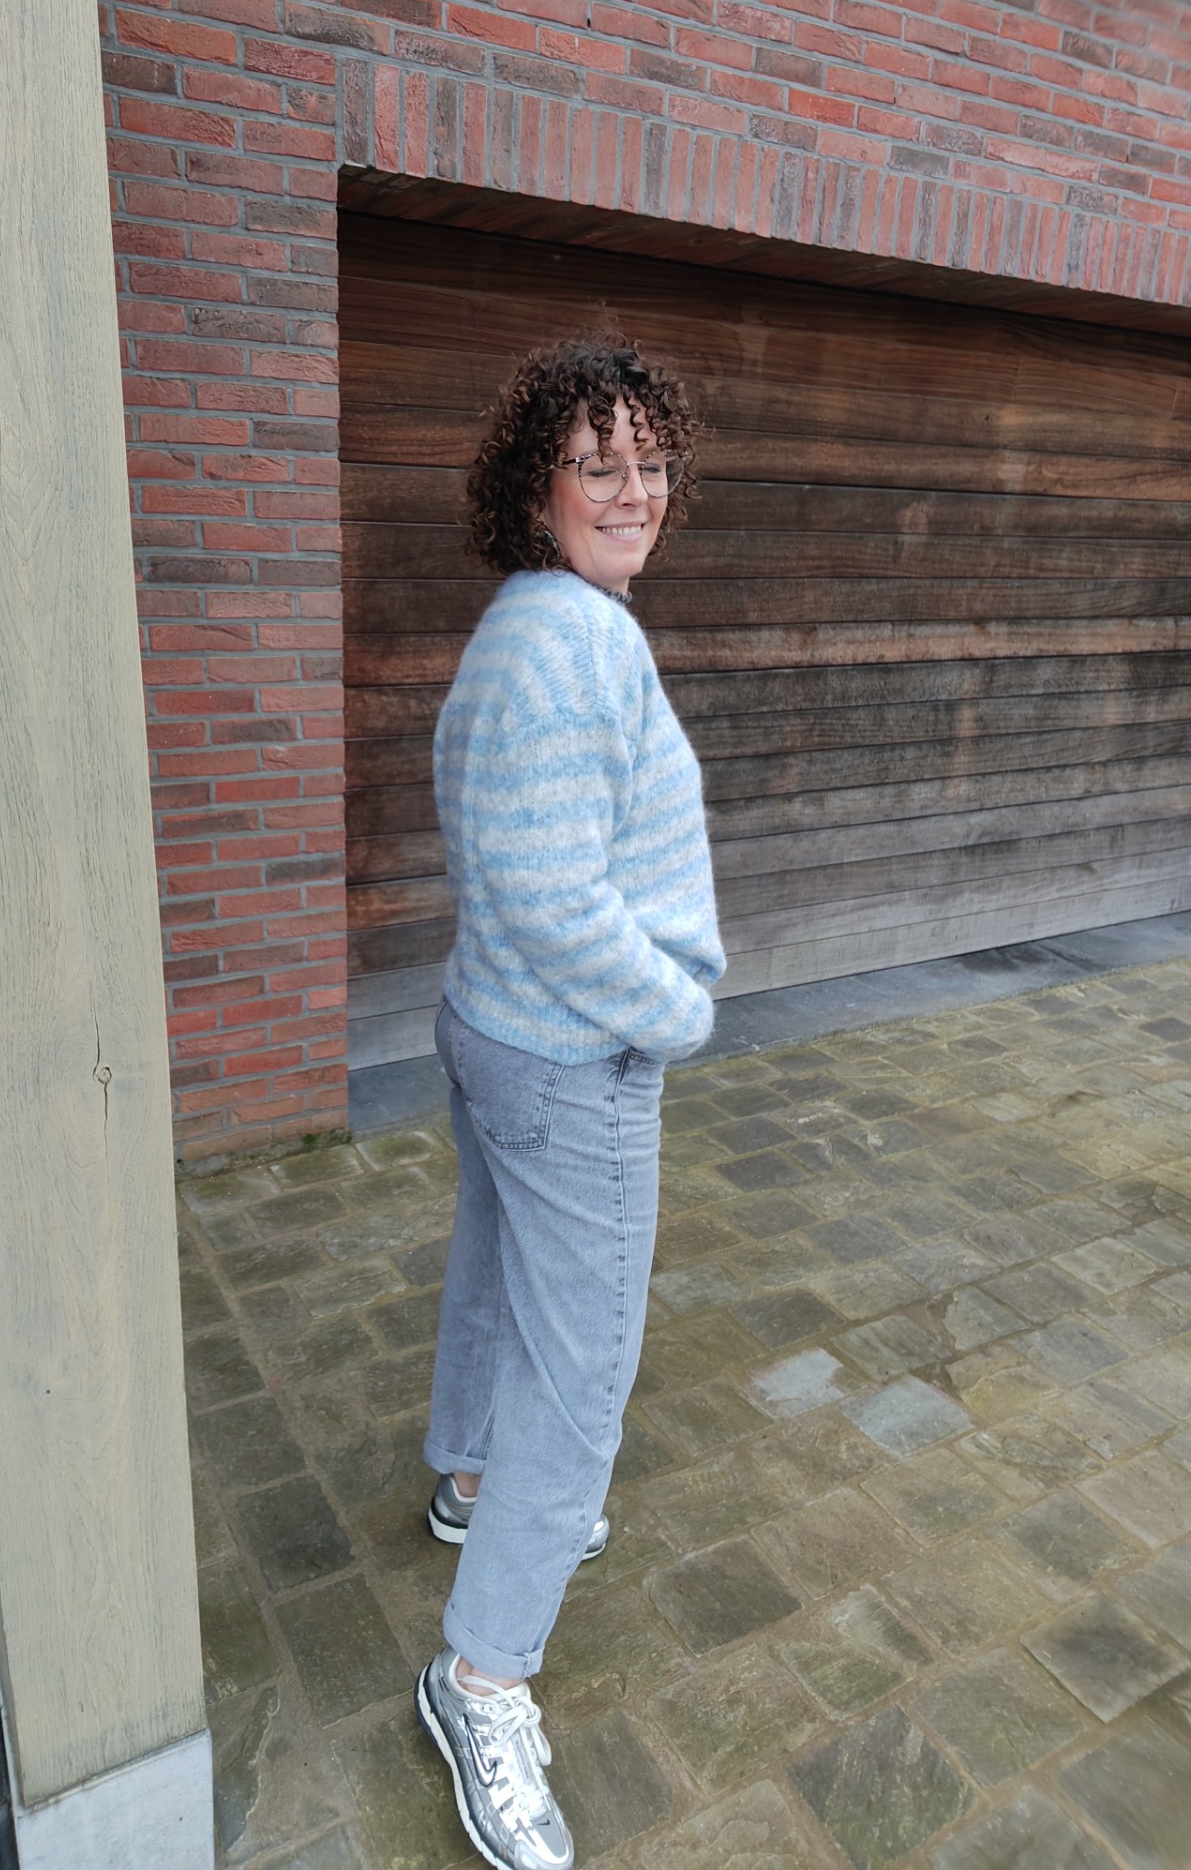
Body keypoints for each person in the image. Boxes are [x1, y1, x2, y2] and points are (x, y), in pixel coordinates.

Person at [414, 338, 724, 1870]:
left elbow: (492, 845)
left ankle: (472, 1477)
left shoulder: (517, 628)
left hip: (493, 1028)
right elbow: (547, 888)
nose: (633, 490)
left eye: (650, 461)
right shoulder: (573, 642)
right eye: (600, 463)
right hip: (571, 1057)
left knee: (497, 1273)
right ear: (537, 486)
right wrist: (675, 1009)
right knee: (582, 1369)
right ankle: (482, 1678)